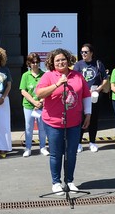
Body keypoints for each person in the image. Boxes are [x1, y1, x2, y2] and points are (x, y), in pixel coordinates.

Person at [36, 48, 91, 195]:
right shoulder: (48, 76)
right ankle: (56, 182)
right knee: (56, 153)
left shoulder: (77, 76)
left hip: (74, 121)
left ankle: (69, 181)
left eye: (63, 59)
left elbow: (86, 95)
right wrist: (57, 84)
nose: (61, 62)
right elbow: (39, 93)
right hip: (53, 122)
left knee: (71, 153)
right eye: (57, 60)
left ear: (68, 60)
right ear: (52, 63)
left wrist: (88, 114)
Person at [73, 43, 108, 153]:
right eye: (82, 52)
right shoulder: (78, 65)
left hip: (94, 97)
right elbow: (74, 80)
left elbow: (105, 78)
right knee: (81, 119)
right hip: (81, 97)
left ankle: (92, 142)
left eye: (85, 52)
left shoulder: (98, 64)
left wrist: (99, 88)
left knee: (93, 119)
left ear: (91, 53)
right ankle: (78, 143)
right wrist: (83, 90)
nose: (83, 54)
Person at [19, 52, 49, 157]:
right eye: (32, 62)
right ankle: (28, 148)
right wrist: (34, 102)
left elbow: (48, 90)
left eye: (37, 62)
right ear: (29, 63)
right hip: (28, 105)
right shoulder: (25, 75)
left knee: (42, 127)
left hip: (41, 105)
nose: (35, 64)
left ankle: (43, 147)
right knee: (28, 127)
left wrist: (41, 101)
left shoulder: (44, 74)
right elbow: (23, 91)